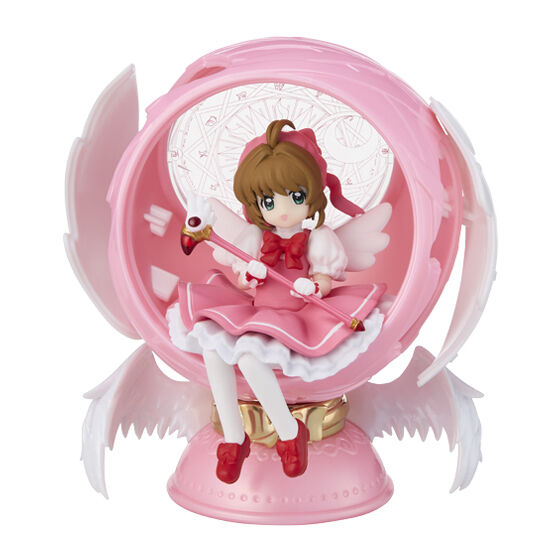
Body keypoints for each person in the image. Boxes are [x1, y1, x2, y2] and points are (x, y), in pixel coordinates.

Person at [167, 119, 390, 483]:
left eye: (296, 197)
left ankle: (289, 432)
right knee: (212, 351)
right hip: (256, 313)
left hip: (295, 319)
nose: (283, 211)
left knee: (249, 359)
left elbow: (324, 279)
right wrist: (251, 275)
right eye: (269, 201)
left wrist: (314, 287)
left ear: (312, 195)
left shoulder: (318, 239)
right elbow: (245, 281)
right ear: (256, 204)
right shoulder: (255, 238)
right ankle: (234, 438)